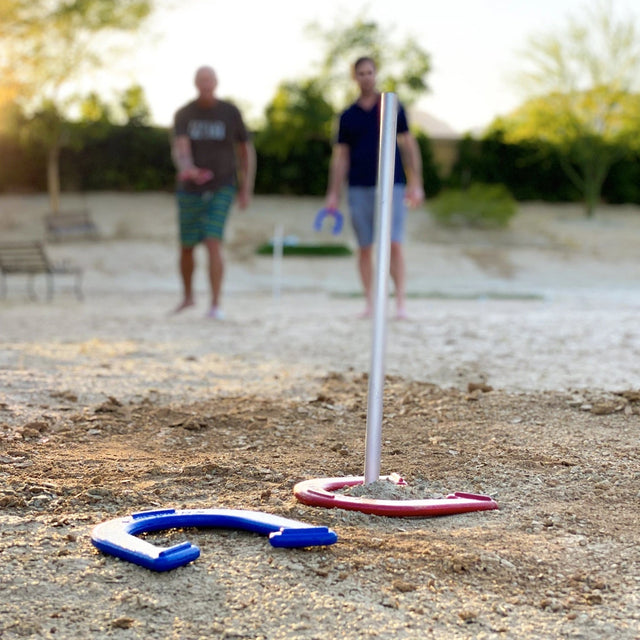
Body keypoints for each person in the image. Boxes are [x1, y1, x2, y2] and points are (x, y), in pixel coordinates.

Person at [325, 56, 424, 320]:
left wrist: (416, 183)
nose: (366, 77)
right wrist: (333, 192)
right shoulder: (347, 116)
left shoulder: (392, 106)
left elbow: (408, 144)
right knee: (365, 247)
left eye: (370, 72)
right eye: (361, 73)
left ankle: (400, 303)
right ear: (354, 77)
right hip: (359, 187)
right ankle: (370, 303)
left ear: (376, 74)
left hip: (393, 186)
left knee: (394, 244)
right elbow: (341, 156)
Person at [171, 65, 256, 319]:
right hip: (190, 189)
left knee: (212, 240)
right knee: (187, 246)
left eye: (210, 79)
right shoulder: (184, 114)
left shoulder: (230, 113)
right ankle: (188, 297)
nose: (206, 84)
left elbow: (245, 151)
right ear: (195, 84)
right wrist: (188, 168)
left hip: (222, 185)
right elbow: (180, 148)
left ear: (216, 82)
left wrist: (246, 187)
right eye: (201, 80)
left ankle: (215, 304)